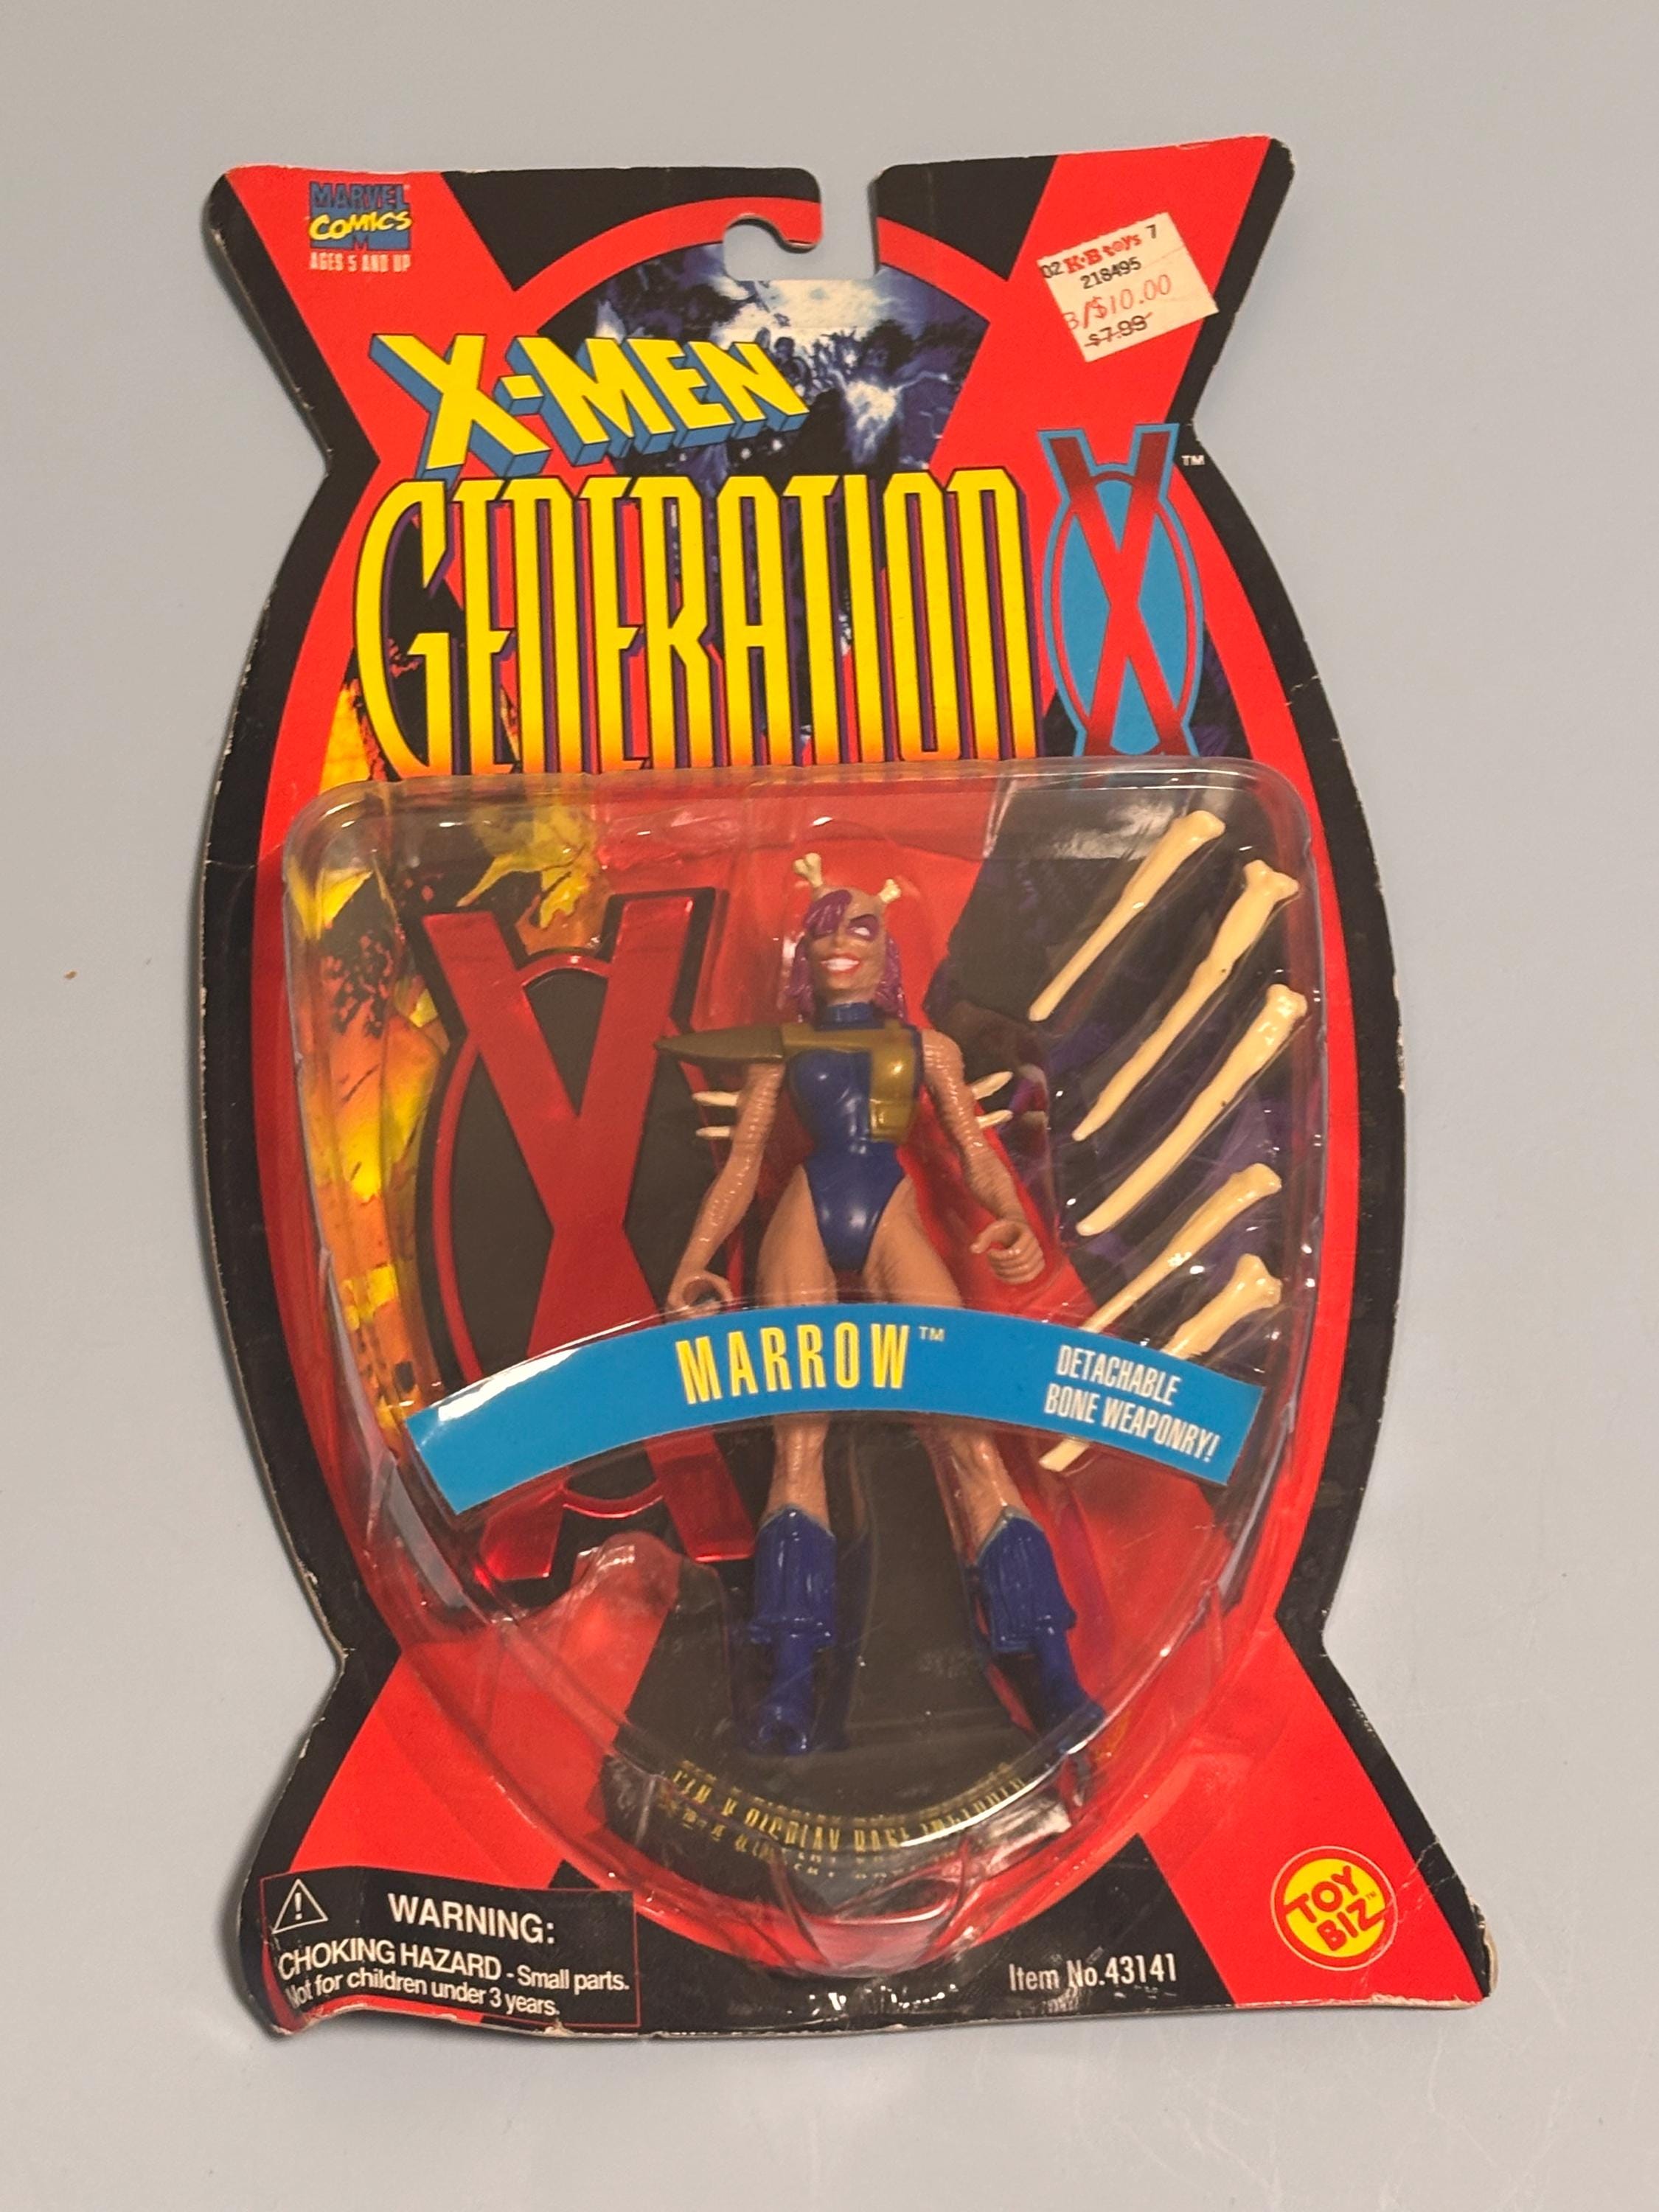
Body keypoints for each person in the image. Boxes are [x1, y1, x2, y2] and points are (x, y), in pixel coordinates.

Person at [659, 855, 1091, 1753]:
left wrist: (1014, 1215)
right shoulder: (784, 1050)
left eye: (860, 927)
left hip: (889, 1214)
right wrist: (694, 1263)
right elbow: (743, 1166)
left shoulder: (928, 1051)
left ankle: (1051, 1669)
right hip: (807, 1215)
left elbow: (975, 1151)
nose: (839, 943)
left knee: (970, 1437)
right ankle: (789, 1682)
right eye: (823, 928)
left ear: (888, 946)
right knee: (799, 1441)